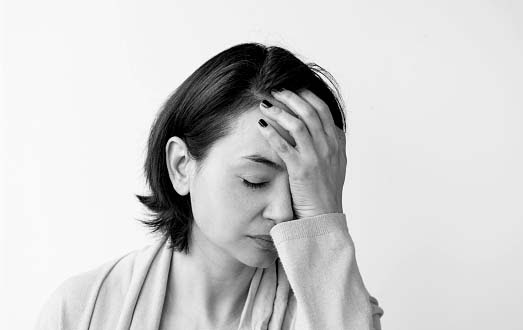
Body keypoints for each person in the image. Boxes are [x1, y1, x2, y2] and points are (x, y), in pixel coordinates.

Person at [35, 42, 384, 330]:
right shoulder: (82, 310)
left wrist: (322, 215)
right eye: (254, 180)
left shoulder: (336, 312)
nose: (281, 212)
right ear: (182, 165)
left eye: (300, 187)